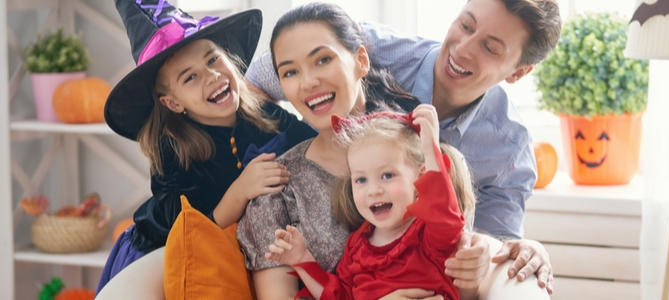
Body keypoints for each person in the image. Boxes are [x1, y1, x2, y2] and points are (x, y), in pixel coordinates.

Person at [246, 0, 562, 292]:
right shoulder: (366, 44)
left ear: (519, 72)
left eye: (490, 48)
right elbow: (255, 83)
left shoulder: (507, 149)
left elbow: (495, 247)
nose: (463, 49)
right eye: (465, 26)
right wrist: (303, 147)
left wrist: (521, 248)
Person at [96, 0, 317, 294]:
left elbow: (313, 144)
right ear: (173, 103)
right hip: (169, 249)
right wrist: (241, 190)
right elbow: (187, 230)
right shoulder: (173, 149)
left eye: (212, 59)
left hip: (245, 245)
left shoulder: (262, 114)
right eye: (190, 77)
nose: (212, 75)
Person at [265, 107, 475, 300]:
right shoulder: (356, 248)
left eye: (387, 175)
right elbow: (339, 296)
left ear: (420, 178)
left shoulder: (428, 232)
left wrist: (431, 152)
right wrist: (302, 259)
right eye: (361, 180)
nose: (374, 190)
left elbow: (445, 214)